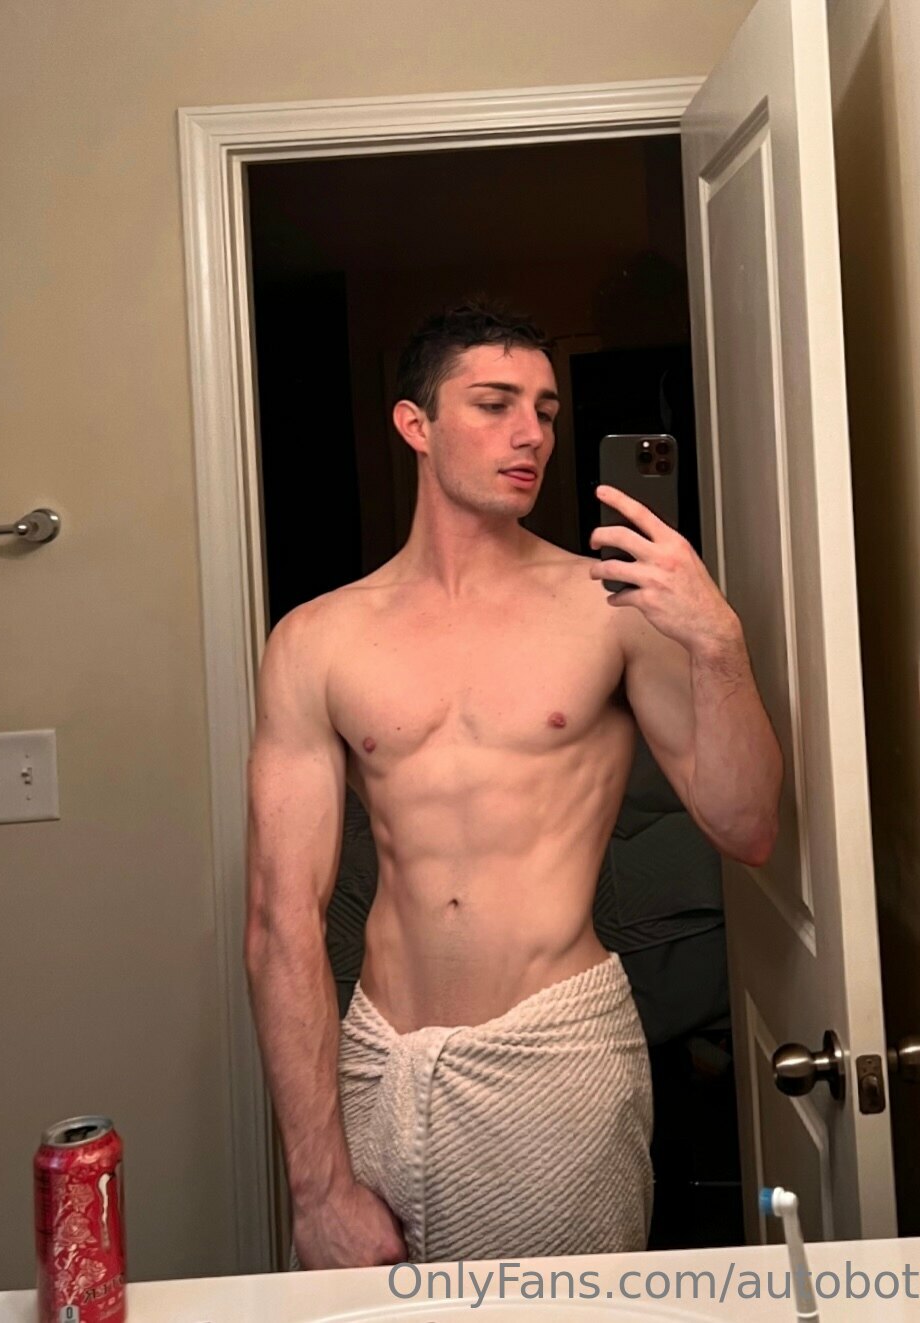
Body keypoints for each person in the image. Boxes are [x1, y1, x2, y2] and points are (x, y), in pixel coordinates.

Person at [244, 299, 783, 1270]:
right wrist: (317, 1187)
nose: (530, 431)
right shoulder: (317, 639)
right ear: (415, 424)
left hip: (557, 1054)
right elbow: (280, 917)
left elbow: (746, 826)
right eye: (494, 404)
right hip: (379, 1059)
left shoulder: (612, 608)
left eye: (544, 409)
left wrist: (717, 639)